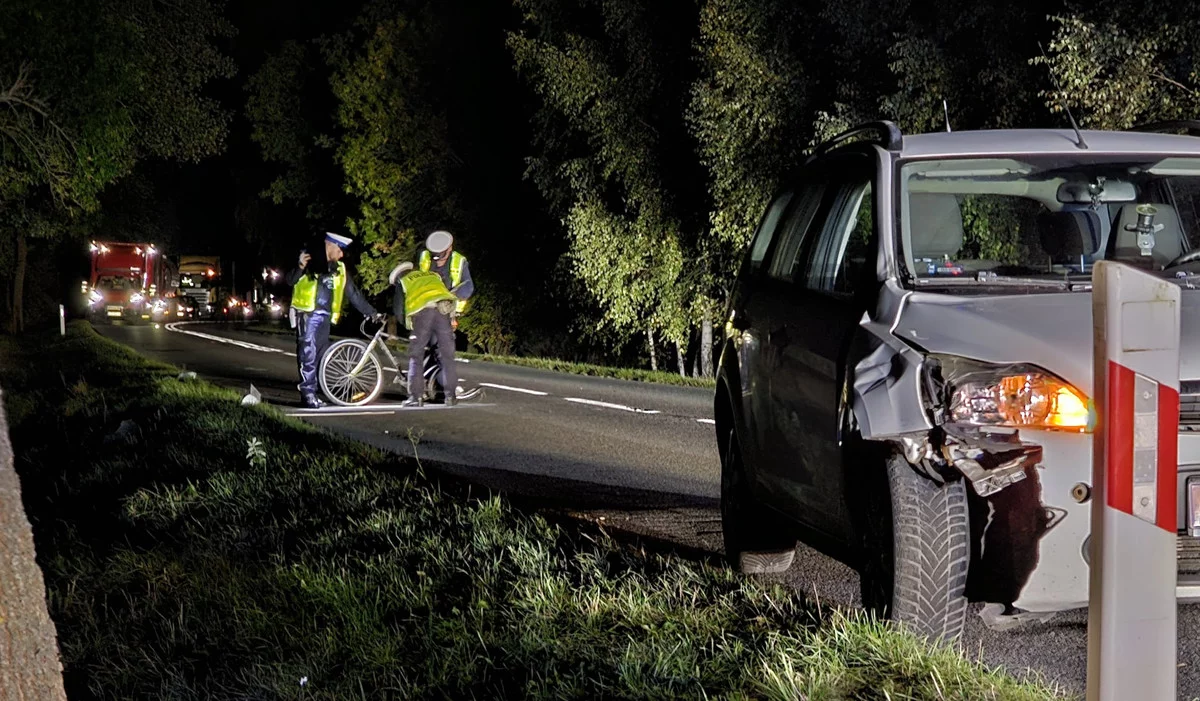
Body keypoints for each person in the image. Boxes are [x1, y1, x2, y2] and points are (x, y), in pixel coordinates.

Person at [287, 232, 384, 408]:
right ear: (329, 245)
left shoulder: (339, 269)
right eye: (339, 249)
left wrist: (371, 312)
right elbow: (290, 280)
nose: (341, 254)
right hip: (308, 313)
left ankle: (314, 391)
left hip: (324, 316)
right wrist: (300, 266)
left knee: (320, 356)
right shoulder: (308, 260)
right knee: (307, 353)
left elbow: (353, 293)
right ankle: (307, 394)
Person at [389, 261, 459, 407]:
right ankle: (450, 397)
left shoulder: (403, 282)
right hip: (443, 311)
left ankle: (416, 397)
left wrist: (409, 328)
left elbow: (398, 309)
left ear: (398, 277)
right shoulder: (433, 275)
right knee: (446, 356)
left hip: (423, 314)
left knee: (416, 355)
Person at [418, 230, 474, 326]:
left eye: (441, 258)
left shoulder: (459, 261)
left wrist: (450, 299)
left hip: (446, 311)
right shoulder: (425, 257)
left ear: (449, 248)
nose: (439, 262)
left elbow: (468, 286)